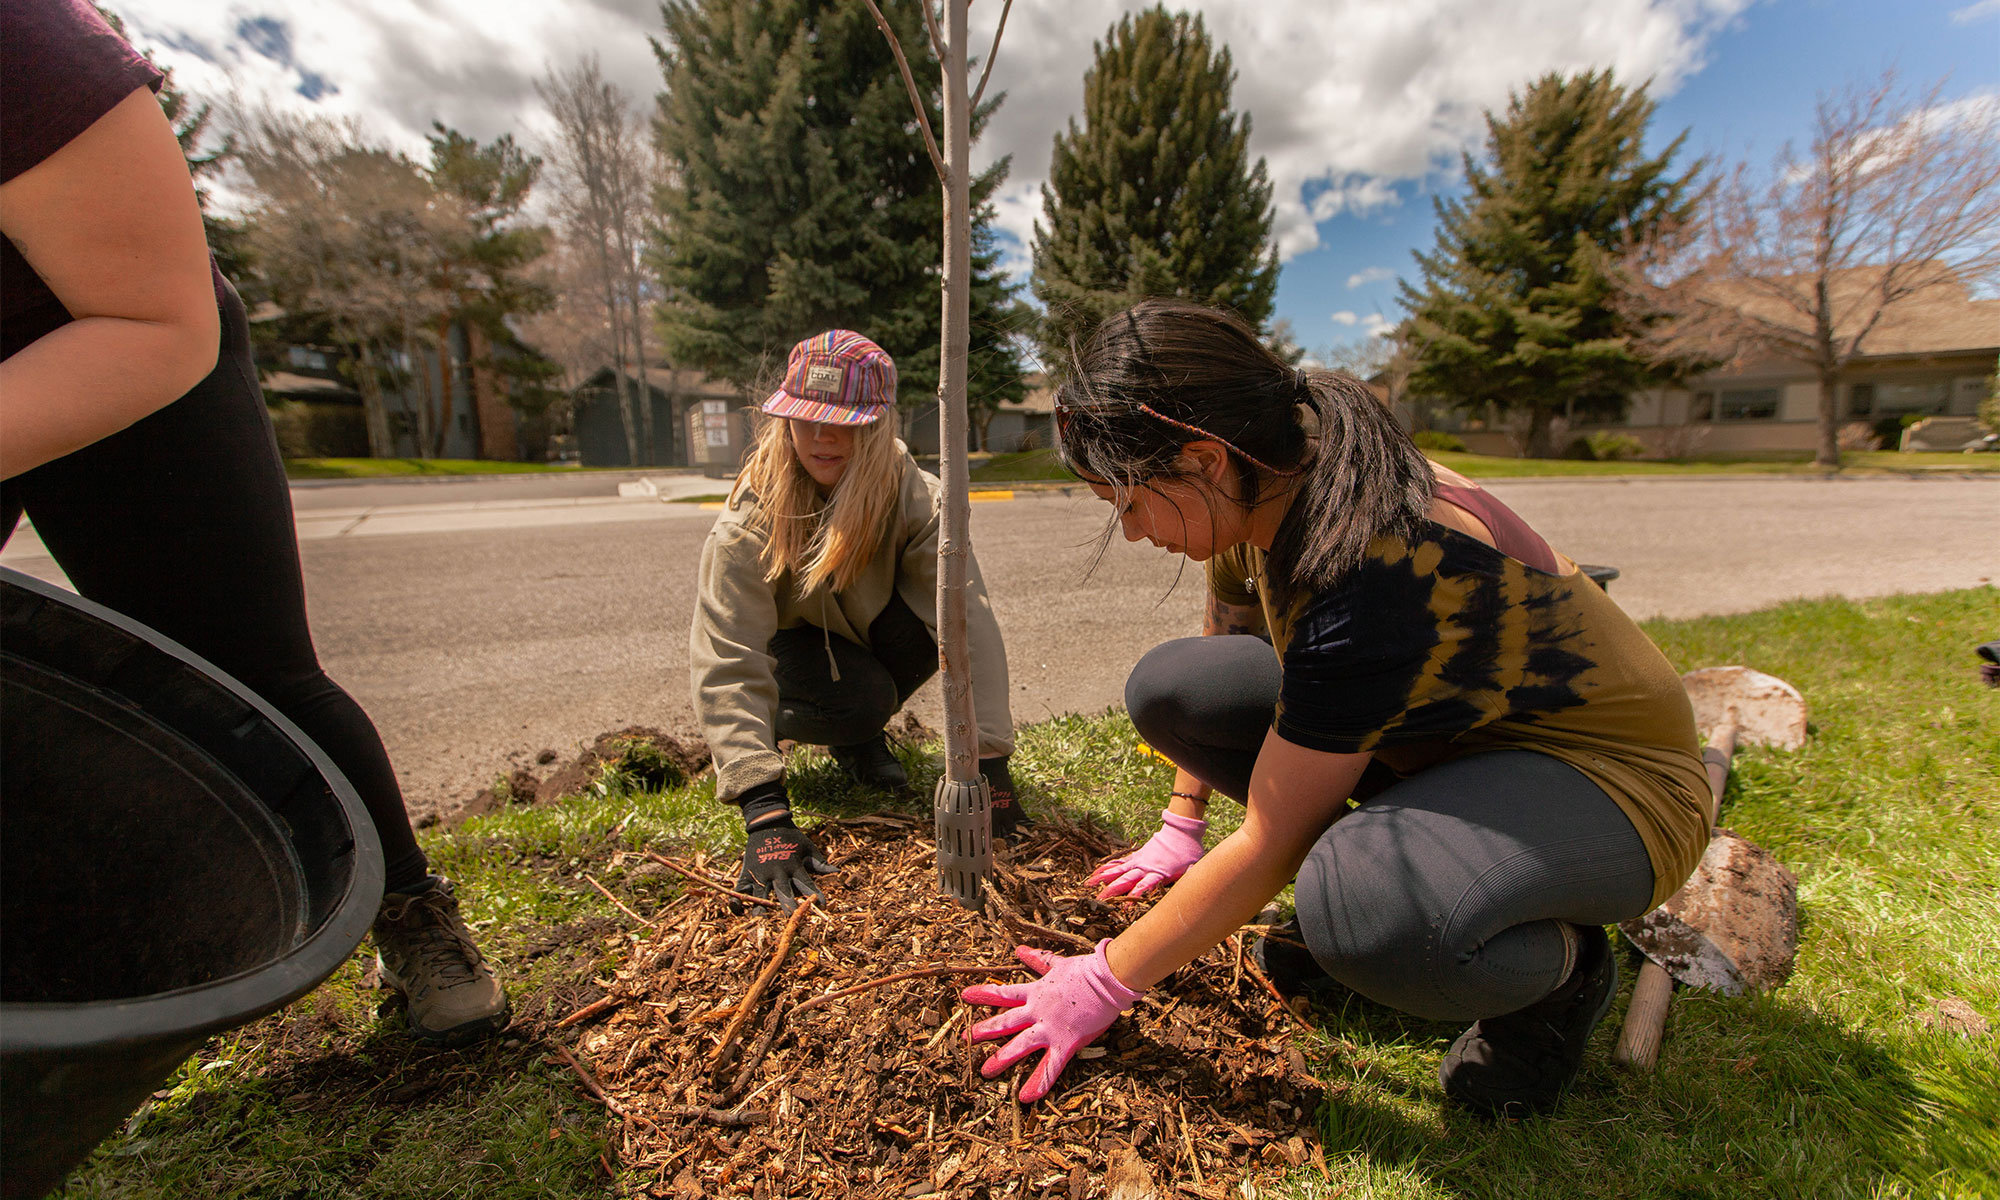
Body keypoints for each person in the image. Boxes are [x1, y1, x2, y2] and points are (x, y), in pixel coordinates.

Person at [962, 300, 1710, 1117]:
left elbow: (1271, 839)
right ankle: (1405, 896)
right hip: (1455, 748)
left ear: (1203, 459)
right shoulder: (1263, 481)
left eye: (1129, 501)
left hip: (1617, 789)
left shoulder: (1368, 561)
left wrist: (1102, 979)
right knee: (1179, 688)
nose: (1133, 532)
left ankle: (1558, 974)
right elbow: (1230, 637)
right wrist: (1182, 824)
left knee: (1356, 910)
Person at [0, 0, 507, 1045]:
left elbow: (155, 320)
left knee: (254, 674)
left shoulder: (28, 45)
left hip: (125, 347)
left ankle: (410, 912)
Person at [690, 330, 1022, 911]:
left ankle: (858, 729)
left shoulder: (913, 493)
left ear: (877, 424)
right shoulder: (749, 518)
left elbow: (964, 620)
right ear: (782, 419)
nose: (820, 437)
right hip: (791, 652)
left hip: (860, 636)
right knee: (859, 701)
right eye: (804, 418)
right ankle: (839, 728)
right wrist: (763, 810)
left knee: (925, 632)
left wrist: (989, 765)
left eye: (843, 421)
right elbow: (728, 656)